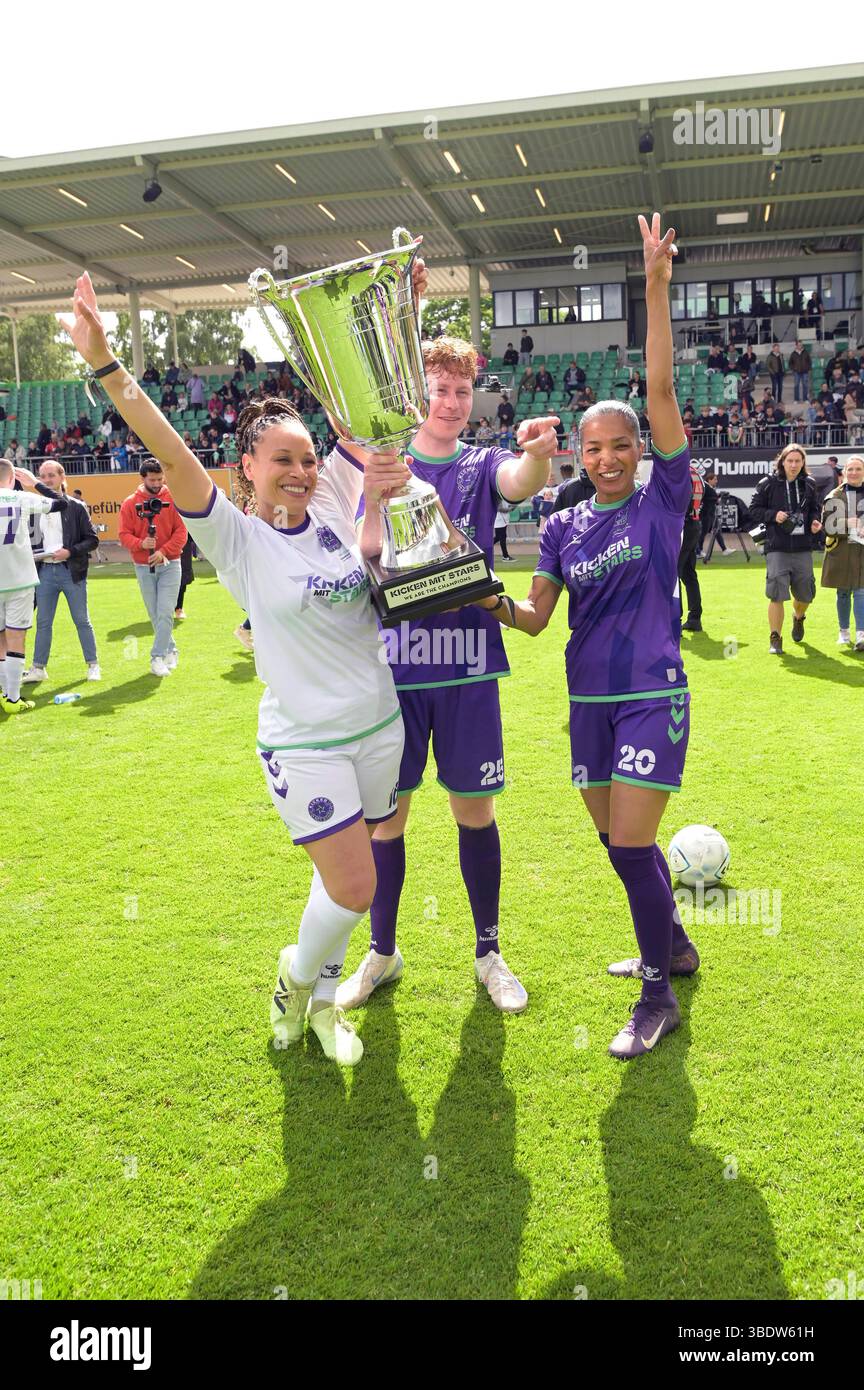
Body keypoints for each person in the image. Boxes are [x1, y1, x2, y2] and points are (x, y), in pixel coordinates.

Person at [63, 269, 415, 1069]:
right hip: (305, 743)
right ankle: (298, 980)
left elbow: (375, 414)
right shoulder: (237, 540)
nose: (298, 470)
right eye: (281, 460)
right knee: (355, 885)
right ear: (248, 469)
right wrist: (109, 366)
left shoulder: (334, 502)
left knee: (337, 889)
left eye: (307, 457)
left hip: (380, 729)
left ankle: (321, 1004)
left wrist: (396, 314)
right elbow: (168, 447)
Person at [472, 212, 698, 1061]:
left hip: (650, 699)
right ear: (579, 454)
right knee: (618, 845)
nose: (606, 457)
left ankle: (656, 992)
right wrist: (481, 595)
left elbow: (664, 389)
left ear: (642, 448)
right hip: (586, 707)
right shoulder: (563, 526)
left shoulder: (662, 500)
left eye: (621, 444)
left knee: (636, 841)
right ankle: (671, 942)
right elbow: (533, 621)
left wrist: (653, 283)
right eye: (593, 448)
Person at [336, 335, 559, 1017]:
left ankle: (489, 954)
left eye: (464, 392)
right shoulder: (380, 463)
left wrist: (537, 454)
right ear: (416, 394)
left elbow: (522, 483)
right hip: (393, 669)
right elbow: (365, 552)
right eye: (441, 390)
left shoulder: (483, 462)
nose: (455, 403)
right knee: (387, 819)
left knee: (475, 811)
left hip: (466, 666)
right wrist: (376, 491)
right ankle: (382, 952)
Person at [22, 460, 100, 685]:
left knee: (81, 620)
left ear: (62, 476)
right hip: (44, 571)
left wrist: (70, 552)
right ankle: (38, 668)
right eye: (43, 476)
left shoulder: (75, 506)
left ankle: (93, 664)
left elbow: (92, 540)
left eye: (51, 475)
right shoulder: (34, 507)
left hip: (71, 571)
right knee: (43, 622)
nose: (47, 480)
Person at [0, 462, 68, 714]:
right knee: (16, 636)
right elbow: (62, 502)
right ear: (12, 478)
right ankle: (13, 698)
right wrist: (34, 483)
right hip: (20, 579)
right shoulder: (21, 497)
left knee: (0, 639)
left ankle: (4, 690)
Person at [748, 443, 823, 655]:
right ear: (782, 461)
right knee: (776, 594)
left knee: (805, 595)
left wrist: (815, 521)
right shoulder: (768, 484)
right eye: (789, 460)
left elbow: (815, 509)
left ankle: (798, 618)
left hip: (802, 547)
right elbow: (753, 510)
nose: (793, 464)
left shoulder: (809, 484)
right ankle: (775, 637)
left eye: (797, 461)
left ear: (802, 463)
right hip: (777, 547)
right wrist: (773, 515)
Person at [118, 460, 188, 676]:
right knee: (155, 614)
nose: (157, 483)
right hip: (142, 565)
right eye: (152, 480)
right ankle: (171, 649)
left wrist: (163, 551)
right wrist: (141, 544)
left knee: (166, 611)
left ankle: (156, 657)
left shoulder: (173, 499)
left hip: (170, 564)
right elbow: (123, 534)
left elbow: (181, 532)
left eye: (160, 479)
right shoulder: (130, 503)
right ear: (143, 478)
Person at [820, 455, 864, 650]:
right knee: (843, 593)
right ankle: (843, 633)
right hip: (842, 552)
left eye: (858, 469)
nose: (854, 473)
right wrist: (847, 524)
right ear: (844, 472)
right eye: (850, 469)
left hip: (862, 552)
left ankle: (861, 634)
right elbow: (828, 527)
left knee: (861, 592)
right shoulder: (834, 496)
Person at [678, 458, 704, 630]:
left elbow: (682, 502)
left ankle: (674, 619)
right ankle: (694, 618)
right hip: (693, 523)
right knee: (688, 573)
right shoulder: (693, 472)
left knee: (672, 575)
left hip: (681, 526)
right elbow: (709, 497)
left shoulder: (680, 473)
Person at [699, 470, 726, 558]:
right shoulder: (706, 487)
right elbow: (708, 499)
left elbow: (713, 499)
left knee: (717, 530)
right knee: (703, 532)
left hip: (711, 514)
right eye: (715, 479)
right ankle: (698, 551)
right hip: (706, 514)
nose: (716, 481)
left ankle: (724, 549)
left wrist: (717, 497)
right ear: (709, 480)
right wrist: (717, 498)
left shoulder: (709, 487)